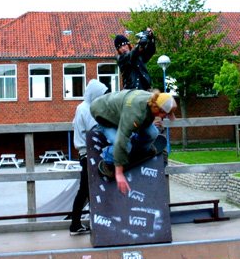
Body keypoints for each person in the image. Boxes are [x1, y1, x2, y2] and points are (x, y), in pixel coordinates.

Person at [90, 89, 177, 195]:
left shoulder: (154, 100)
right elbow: (120, 141)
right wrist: (119, 172)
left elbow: (145, 118)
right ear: (157, 109)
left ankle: (138, 150)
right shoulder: (136, 113)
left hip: (121, 111)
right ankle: (107, 159)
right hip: (103, 114)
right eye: (166, 115)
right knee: (126, 146)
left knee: (153, 133)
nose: (165, 118)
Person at [68, 79, 108, 236]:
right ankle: (75, 224)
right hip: (88, 152)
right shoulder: (87, 109)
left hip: (87, 152)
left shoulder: (83, 108)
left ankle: (87, 222)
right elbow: (95, 130)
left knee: (88, 190)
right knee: (85, 189)